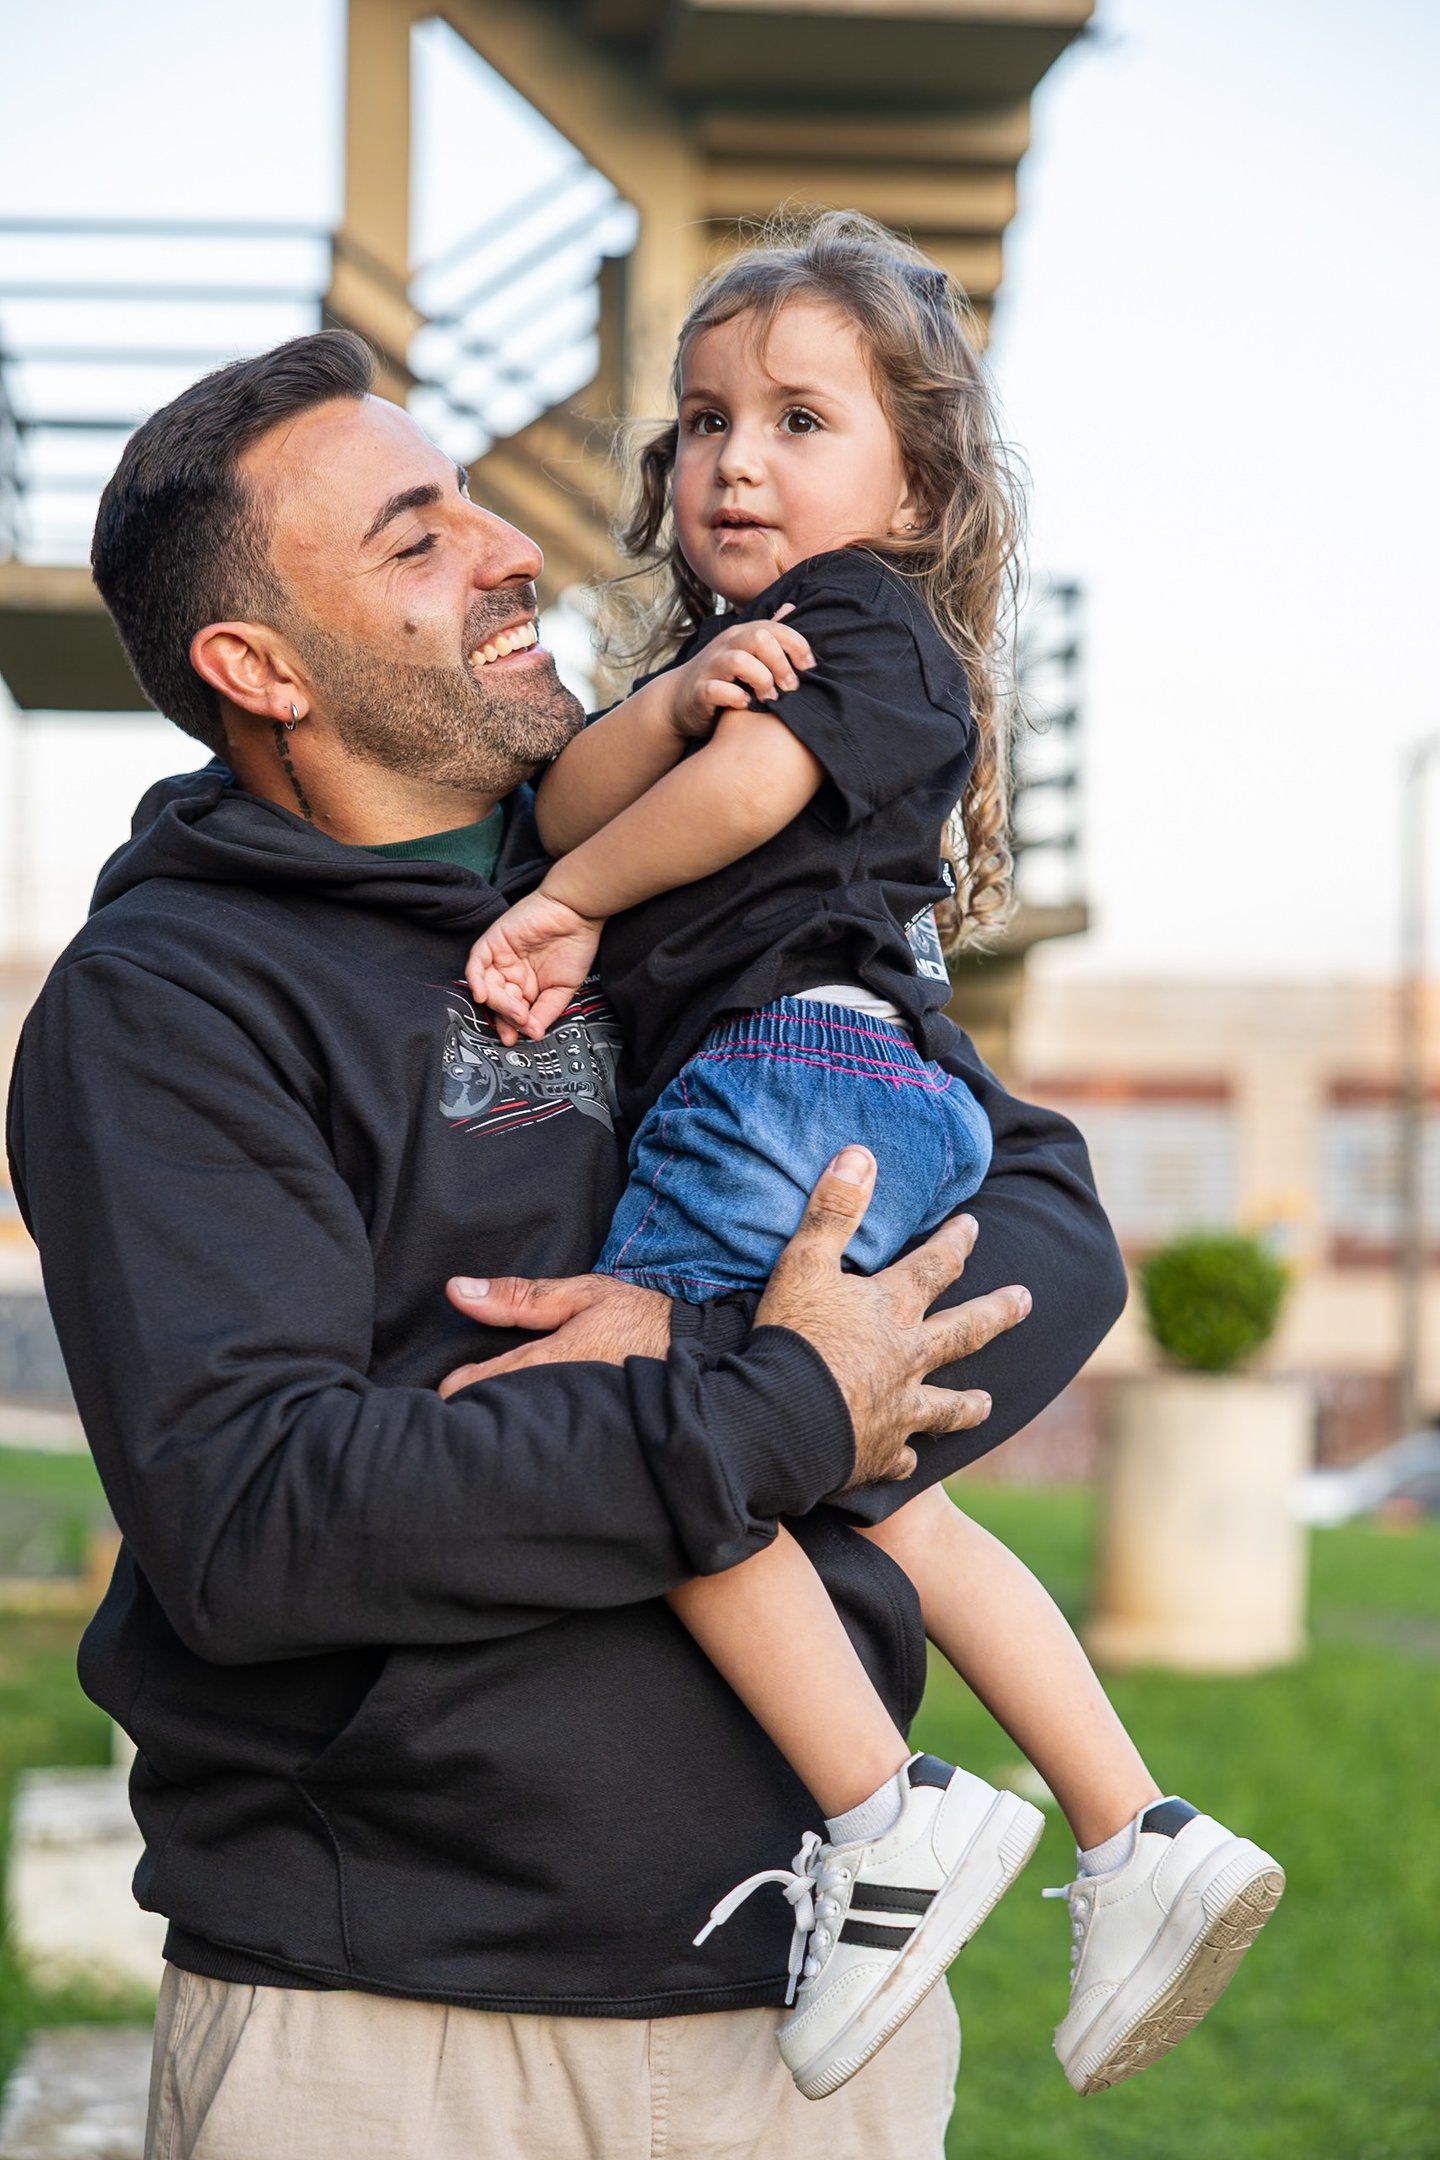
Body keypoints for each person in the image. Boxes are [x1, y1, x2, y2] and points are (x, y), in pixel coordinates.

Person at [7, 325, 1125, 2160]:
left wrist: (800, 1380)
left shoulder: (691, 888)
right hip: (391, 2034)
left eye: (470, 496)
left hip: (815, 2012)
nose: (509, 543)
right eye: (414, 538)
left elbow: (1048, 1223)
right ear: (255, 665)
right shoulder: (168, 1002)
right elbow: (257, 1521)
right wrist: (777, 1411)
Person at [467, 212, 1284, 2103]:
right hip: (855, 1089)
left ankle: (884, 1811)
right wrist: (662, 705)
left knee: (651, 1420)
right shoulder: (744, 655)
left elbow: (716, 806)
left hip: (787, 1086)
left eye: (800, 419)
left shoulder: (868, 625)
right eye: (699, 422)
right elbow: (565, 791)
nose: (734, 458)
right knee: (868, 1473)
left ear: (916, 485)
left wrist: (578, 911)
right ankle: (1139, 1830)